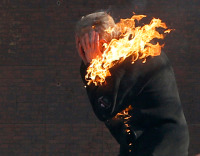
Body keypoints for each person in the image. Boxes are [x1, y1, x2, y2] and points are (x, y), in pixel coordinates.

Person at [75, 12, 189, 156]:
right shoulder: (114, 57)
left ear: (100, 43)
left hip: (159, 144)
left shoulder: (135, 56)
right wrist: (90, 66)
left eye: (85, 45)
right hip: (136, 142)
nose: (83, 53)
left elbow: (104, 108)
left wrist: (92, 64)